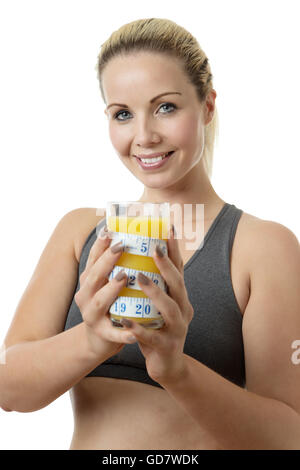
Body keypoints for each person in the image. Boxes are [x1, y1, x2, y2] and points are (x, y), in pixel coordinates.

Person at [1, 17, 300, 450]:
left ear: (208, 106)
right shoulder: (79, 233)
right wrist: (92, 340)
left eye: (165, 107)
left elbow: (288, 436)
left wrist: (175, 369)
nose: (144, 136)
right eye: (123, 114)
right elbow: (9, 387)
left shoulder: (262, 247)